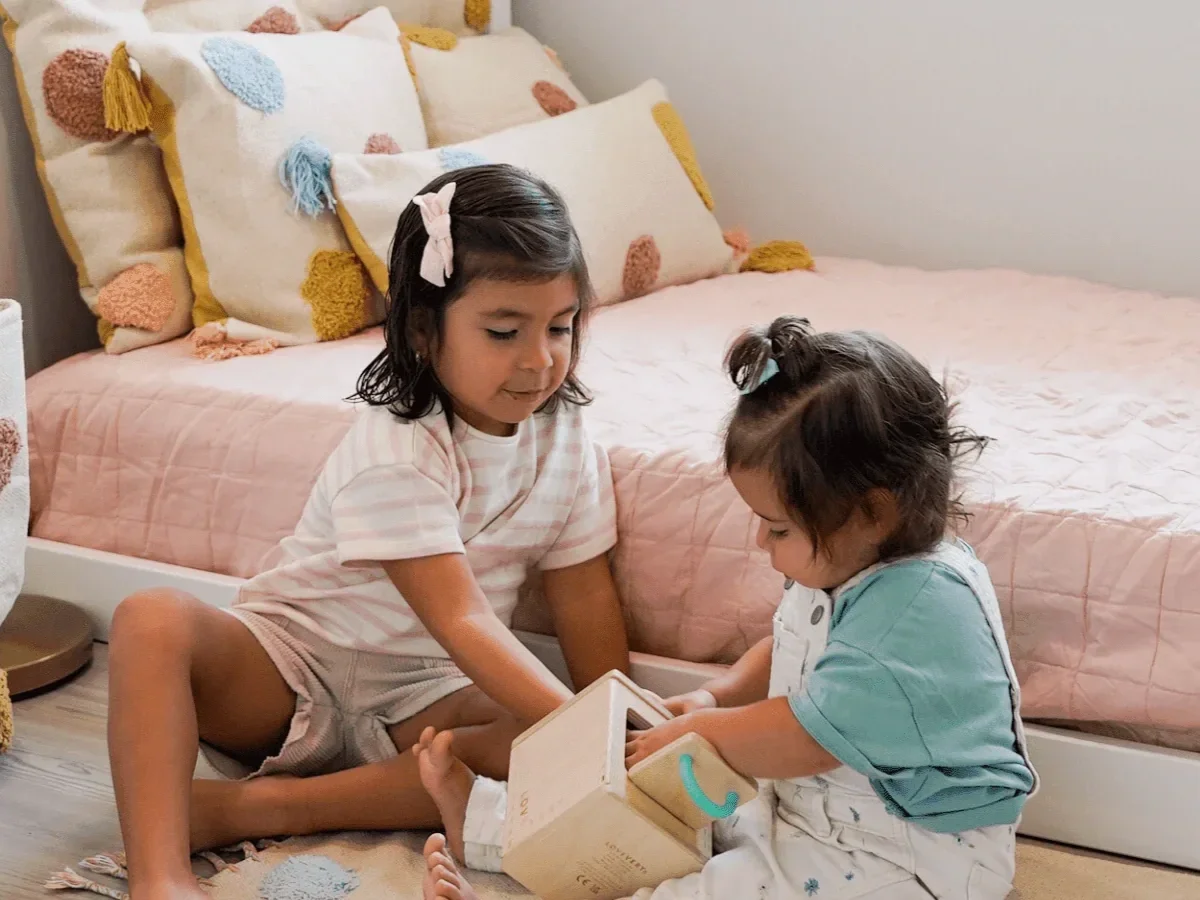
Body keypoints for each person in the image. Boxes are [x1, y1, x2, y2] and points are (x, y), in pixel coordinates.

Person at [106, 164, 630, 900]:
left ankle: (261, 810)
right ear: (423, 329)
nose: (539, 358)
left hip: (424, 699)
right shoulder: (397, 446)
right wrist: (596, 730)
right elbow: (461, 615)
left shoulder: (569, 441)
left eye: (561, 327)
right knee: (150, 619)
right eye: (505, 331)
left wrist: (622, 725)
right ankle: (160, 878)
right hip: (293, 669)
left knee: (534, 741)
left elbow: (585, 598)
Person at [413, 315, 1037, 900]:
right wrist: (716, 698)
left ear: (873, 512)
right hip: (814, 805)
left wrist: (700, 733)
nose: (762, 543)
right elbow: (792, 652)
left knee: (716, 876)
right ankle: (492, 824)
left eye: (779, 529)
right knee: (675, 803)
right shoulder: (857, 559)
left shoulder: (916, 610)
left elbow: (806, 739)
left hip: (908, 858)